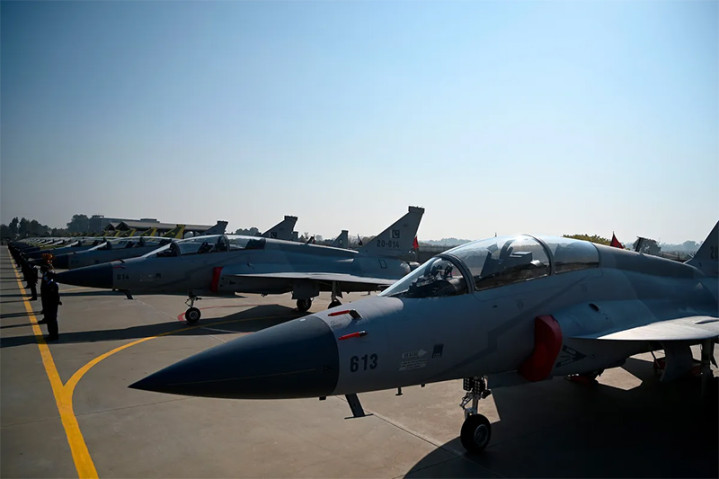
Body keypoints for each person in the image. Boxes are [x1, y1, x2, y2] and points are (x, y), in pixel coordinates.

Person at [43, 271, 61, 341]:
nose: (45, 277)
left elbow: (55, 296)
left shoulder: (53, 285)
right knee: (49, 320)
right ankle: (51, 334)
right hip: (49, 305)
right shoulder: (48, 284)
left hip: (52, 305)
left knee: (52, 320)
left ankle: (54, 335)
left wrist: (57, 302)